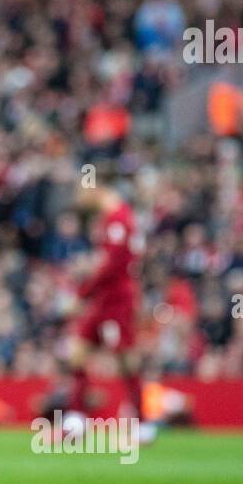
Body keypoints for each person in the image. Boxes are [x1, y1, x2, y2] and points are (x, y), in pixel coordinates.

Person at [59, 176, 152, 443]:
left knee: (125, 360)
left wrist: (81, 293)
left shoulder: (119, 219)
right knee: (77, 350)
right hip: (104, 299)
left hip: (116, 301)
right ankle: (76, 420)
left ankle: (142, 424)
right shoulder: (112, 219)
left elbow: (112, 266)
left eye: (81, 191)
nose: (79, 199)